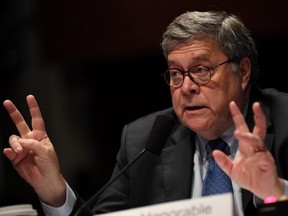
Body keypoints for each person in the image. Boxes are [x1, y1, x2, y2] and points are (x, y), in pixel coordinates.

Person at [2, 10, 288, 216]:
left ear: (244, 72)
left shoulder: (285, 120)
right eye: (176, 73)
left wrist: (275, 192)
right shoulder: (146, 139)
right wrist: (53, 191)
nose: (186, 87)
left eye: (201, 70)